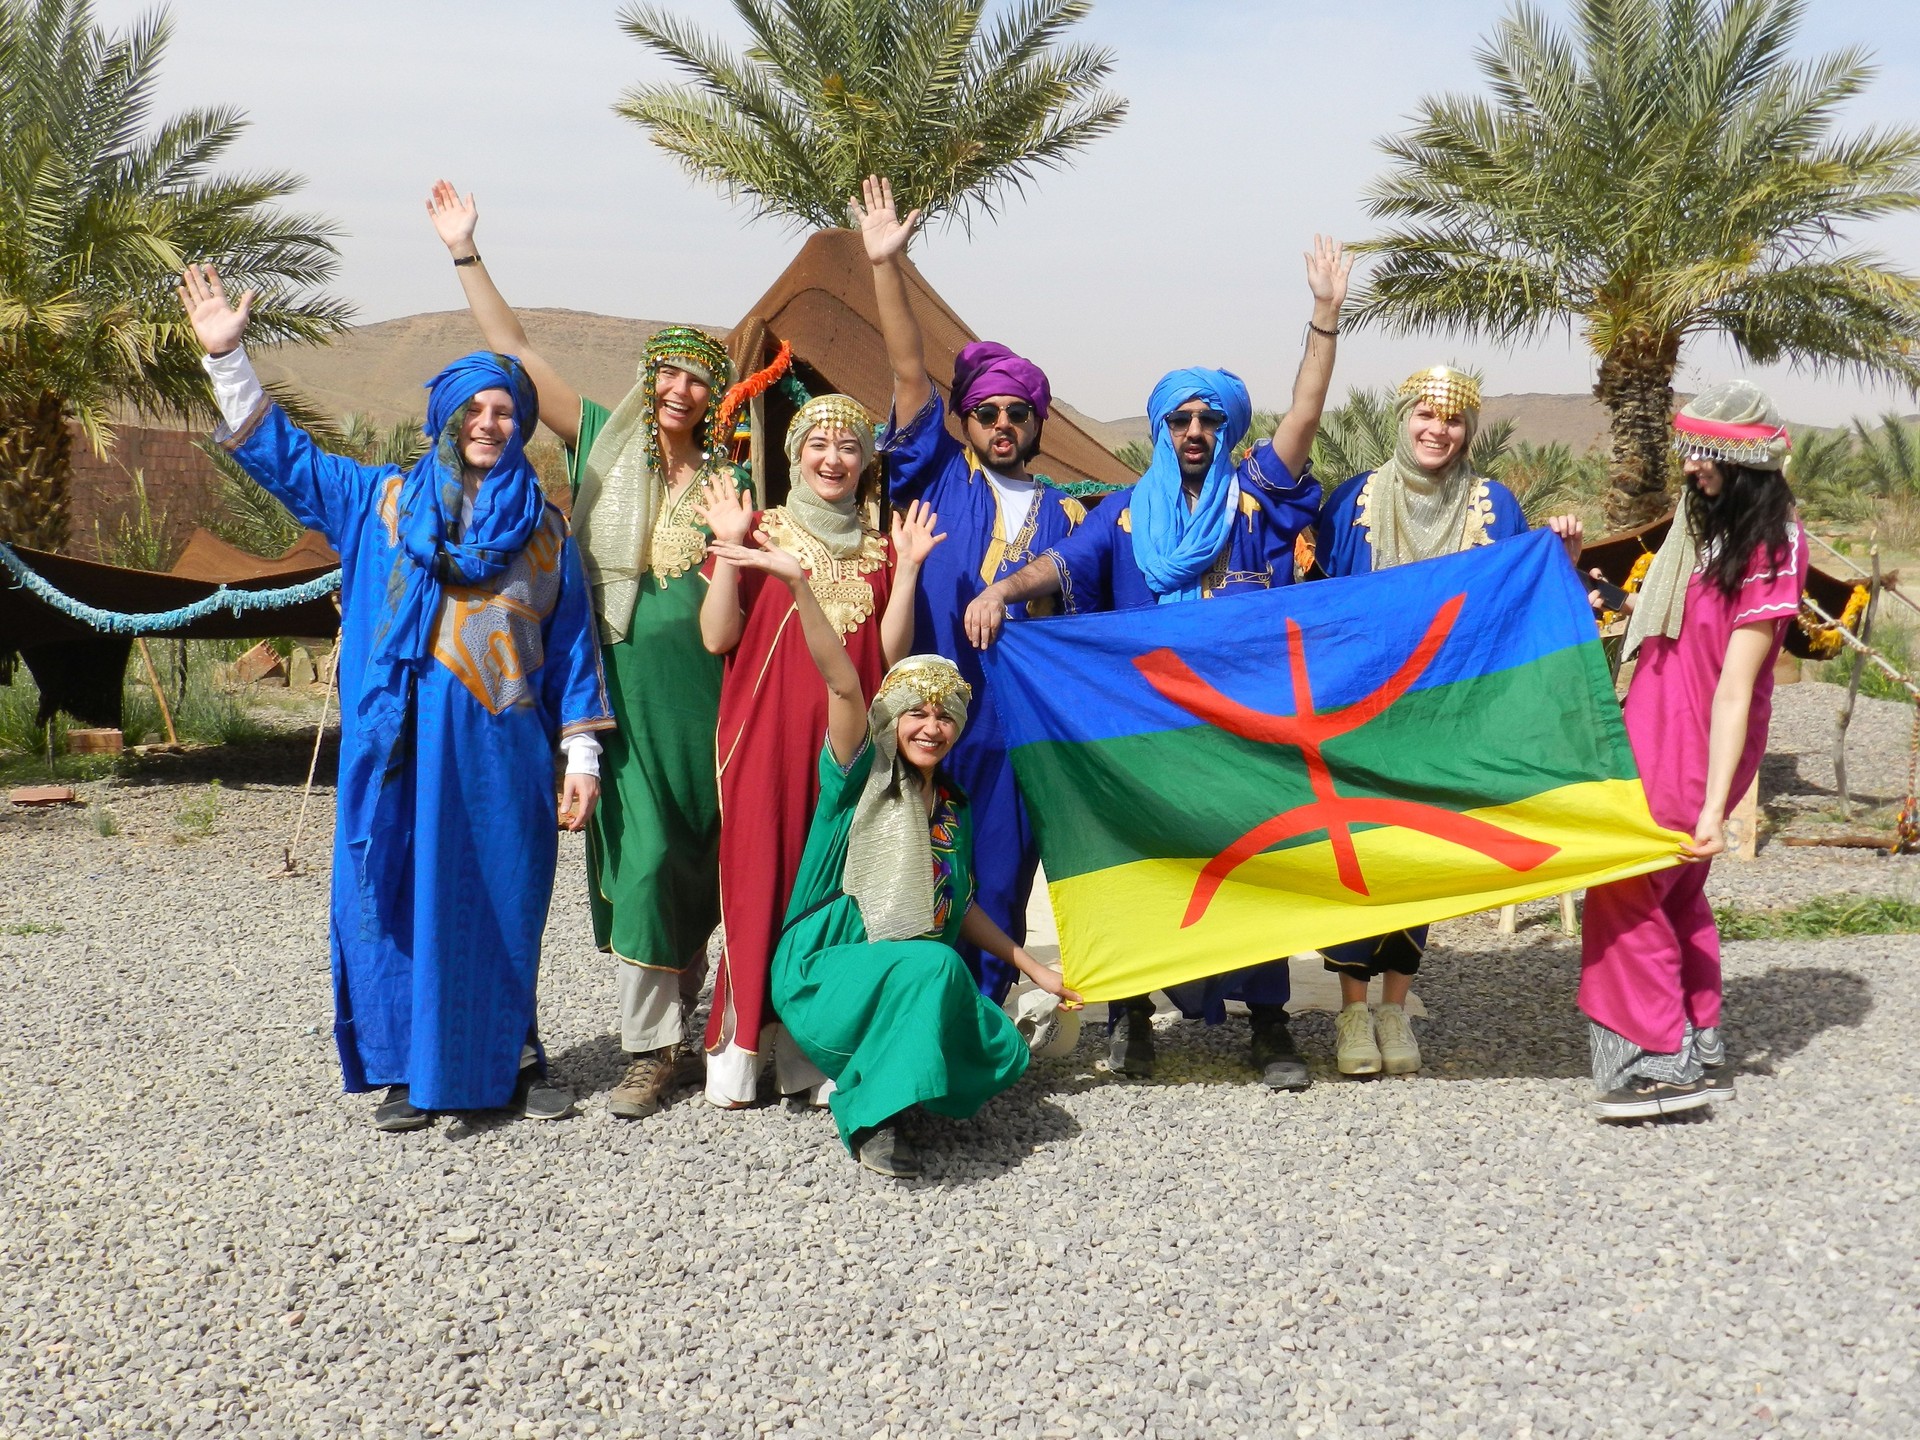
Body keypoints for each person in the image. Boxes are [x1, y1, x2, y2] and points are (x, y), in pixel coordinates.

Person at [178, 263, 612, 1132]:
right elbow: (283, 458)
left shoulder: (546, 531)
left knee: (501, 892)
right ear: (446, 417)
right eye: (474, 410)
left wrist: (583, 752)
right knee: (397, 890)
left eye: (504, 412)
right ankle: (412, 1067)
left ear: (521, 425)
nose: (489, 424)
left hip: (502, 753)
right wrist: (229, 358)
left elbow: (569, 648)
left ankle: (513, 1058)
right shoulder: (376, 500)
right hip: (399, 745)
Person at [962, 238, 1352, 1091]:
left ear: (1228, 429)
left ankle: (1269, 1024)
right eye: (1181, 419)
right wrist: (1000, 591)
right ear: (1161, 428)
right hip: (1144, 727)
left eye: (1211, 419)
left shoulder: (1256, 497)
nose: (1196, 432)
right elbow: (1061, 565)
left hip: (1239, 725)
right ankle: (1134, 1020)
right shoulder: (1127, 515)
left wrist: (1324, 319)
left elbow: (1306, 418)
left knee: (1249, 864)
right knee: (1147, 866)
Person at [427, 182, 756, 1121]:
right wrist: (466, 252)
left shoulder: (734, 479)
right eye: (671, 372)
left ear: (714, 393)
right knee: (647, 860)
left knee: (713, 857)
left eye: (700, 377)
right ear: (652, 377)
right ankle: (650, 1050)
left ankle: (711, 1034)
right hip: (622, 697)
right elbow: (518, 352)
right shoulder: (603, 440)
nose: (681, 390)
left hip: (710, 696)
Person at [710, 526, 1077, 1179]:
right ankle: (872, 1118)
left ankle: (903, 1083)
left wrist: (1037, 971)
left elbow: (958, 906)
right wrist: (798, 584)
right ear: (893, 720)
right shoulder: (857, 777)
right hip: (822, 974)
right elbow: (847, 685)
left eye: (944, 716)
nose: (931, 727)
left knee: (996, 1043)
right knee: (935, 969)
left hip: (893, 969)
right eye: (916, 712)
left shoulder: (951, 808)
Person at [853, 175, 1088, 1003]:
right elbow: (909, 370)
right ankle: (914, 1022)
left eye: (1015, 415)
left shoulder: (1068, 515)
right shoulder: (938, 475)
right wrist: (889, 267)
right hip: (931, 729)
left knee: (998, 886)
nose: (999, 425)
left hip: (1018, 737)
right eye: (985, 411)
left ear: (1036, 425)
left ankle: (981, 1035)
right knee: (915, 882)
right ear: (966, 422)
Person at [1314, 365, 1583, 1080]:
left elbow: (1521, 598)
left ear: (1470, 431)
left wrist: (1564, 556)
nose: (1439, 430)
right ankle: (1350, 1009)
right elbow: (1312, 608)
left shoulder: (1493, 504)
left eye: (1455, 419)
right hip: (1358, 713)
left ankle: (1395, 1005)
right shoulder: (1351, 503)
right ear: (1402, 418)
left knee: (1417, 857)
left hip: (1446, 717)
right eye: (1426, 415)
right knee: (1355, 854)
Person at [1578, 380, 1807, 1119]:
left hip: (1693, 742)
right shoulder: (1702, 529)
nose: (1691, 471)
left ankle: (1655, 1063)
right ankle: (1696, 1040)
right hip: (1656, 722)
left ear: (1745, 463)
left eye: (1705, 458)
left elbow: (1737, 687)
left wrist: (1718, 805)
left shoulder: (1771, 548)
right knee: (1671, 891)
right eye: (1688, 454)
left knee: (1626, 883)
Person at [696, 396, 931, 1107]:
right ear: (796, 454)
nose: (834, 459)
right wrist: (734, 551)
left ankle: (809, 1048)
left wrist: (911, 568)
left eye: (849, 447)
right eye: (819, 446)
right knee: (760, 876)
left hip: (846, 749)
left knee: (828, 888)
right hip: (764, 739)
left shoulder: (880, 549)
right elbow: (716, 637)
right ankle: (740, 1049)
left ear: (865, 463)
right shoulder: (760, 529)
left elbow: (888, 656)